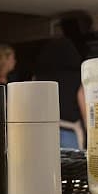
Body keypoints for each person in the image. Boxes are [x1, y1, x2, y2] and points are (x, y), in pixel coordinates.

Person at [34, 18, 86, 149]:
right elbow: (84, 108)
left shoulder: (38, 77)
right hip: (70, 132)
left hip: (44, 132)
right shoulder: (78, 77)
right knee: (70, 168)